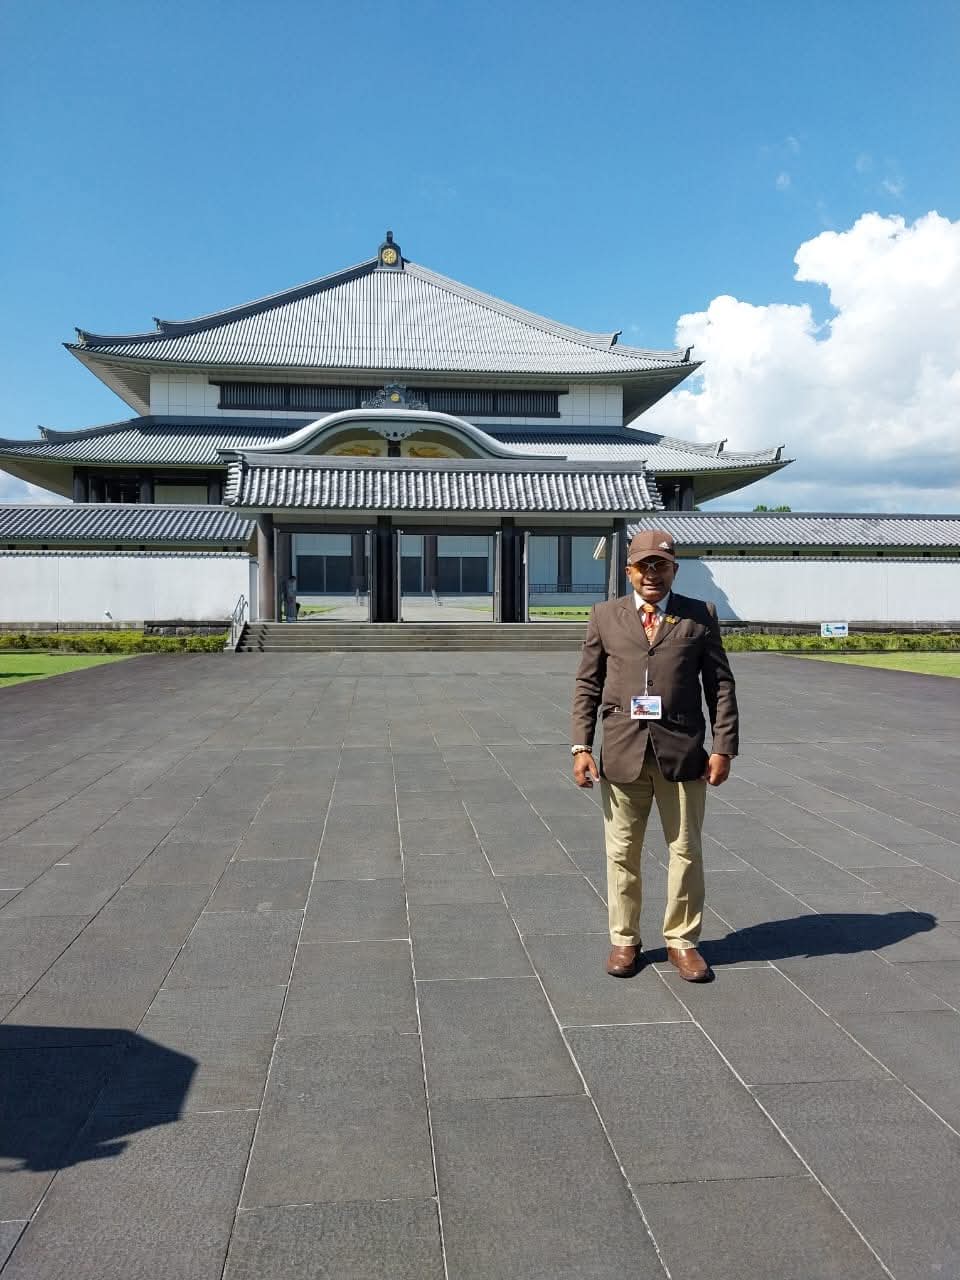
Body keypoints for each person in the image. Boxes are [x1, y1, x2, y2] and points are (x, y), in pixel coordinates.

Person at [571, 529, 739, 982]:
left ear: (674, 570)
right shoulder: (605, 616)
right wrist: (581, 746)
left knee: (685, 850)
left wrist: (723, 746)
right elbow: (588, 683)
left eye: (660, 565)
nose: (651, 573)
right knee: (621, 852)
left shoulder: (699, 615)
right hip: (622, 751)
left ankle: (682, 941)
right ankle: (624, 939)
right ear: (628, 571)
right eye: (643, 565)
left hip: (682, 754)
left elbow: (720, 685)